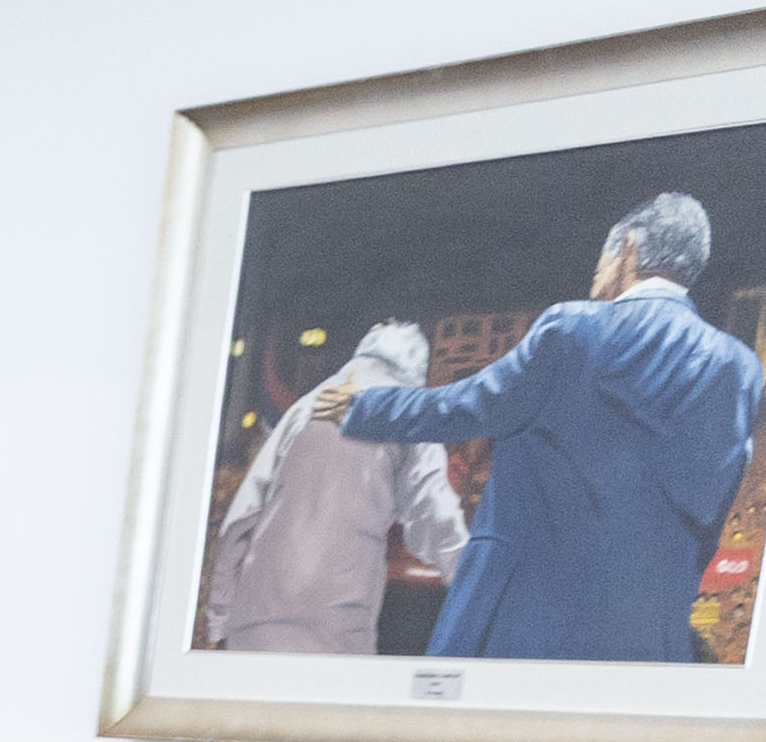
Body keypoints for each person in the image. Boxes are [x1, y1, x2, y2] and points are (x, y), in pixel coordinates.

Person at [339, 193, 764, 660]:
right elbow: (712, 508)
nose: (596, 274)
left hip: (522, 619)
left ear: (628, 248)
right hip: (644, 632)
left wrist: (365, 405)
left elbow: (468, 405)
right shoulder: (739, 369)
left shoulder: (573, 330)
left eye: (602, 257)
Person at [204, 319, 469, 654]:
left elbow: (241, 519)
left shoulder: (304, 409)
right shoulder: (405, 413)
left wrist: (219, 619)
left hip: (255, 624)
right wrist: (478, 591)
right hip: (335, 629)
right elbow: (438, 523)